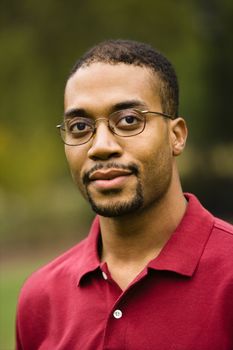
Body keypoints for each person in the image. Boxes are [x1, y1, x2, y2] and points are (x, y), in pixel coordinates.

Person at [16, 40, 233, 350]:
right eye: (80, 126)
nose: (101, 146)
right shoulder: (39, 300)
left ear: (177, 136)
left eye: (129, 120)